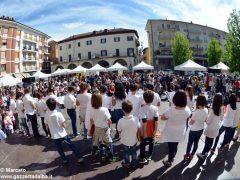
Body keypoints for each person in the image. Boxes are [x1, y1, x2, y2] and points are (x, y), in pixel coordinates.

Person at [45, 98, 84, 164]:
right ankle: (79, 157)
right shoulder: (58, 114)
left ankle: (64, 159)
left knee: (59, 148)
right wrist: (64, 125)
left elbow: (46, 125)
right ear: (55, 105)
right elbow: (64, 125)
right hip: (62, 133)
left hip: (54, 135)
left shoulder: (47, 115)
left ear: (47, 106)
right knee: (71, 145)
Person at [161, 90, 191, 167]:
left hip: (171, 132)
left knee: (171, 147)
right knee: (175, 145)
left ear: (175, 99)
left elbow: (162, 118)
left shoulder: (171, 110)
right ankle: (172, 157)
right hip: (180, 131)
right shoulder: (187, 110)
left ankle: (169, 161)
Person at [90, 92, 116, 162]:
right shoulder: (104, 109)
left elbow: (92, 121)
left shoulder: (91, 109)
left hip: (97, 128)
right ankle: (110, 157)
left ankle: (102, 156)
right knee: (109, 143)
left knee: (100, 142)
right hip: (105, 128)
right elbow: (109, 121)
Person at [197, 93, 223, 159]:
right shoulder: (221, 109)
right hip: (216, 128)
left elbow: (208, 122)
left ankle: (203, 154)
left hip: (210, 129)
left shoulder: (212, 109)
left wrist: (206, 117)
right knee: (211, 141)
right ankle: (206, 153)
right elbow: (221, 118)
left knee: (207, 142)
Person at [117, 100, 140, 169]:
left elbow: (119, 130)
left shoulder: (120, 121)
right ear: (132, 109)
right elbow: (138, 127)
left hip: (124, 141)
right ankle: (134, 162)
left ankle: (127, 163)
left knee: (126, 152)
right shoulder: (136, 119)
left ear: (122, 110)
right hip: (133, 140)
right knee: (133, 152)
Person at [184, 95, 208, 160]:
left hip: (193, 130)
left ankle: (187, 155)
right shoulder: (206, 110)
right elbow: (206, 119)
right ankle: (192, 155)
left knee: (190, 143)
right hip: (201, 129)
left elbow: (190, 123)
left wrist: (190, 118)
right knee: (196, 143)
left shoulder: (195, 112)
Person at [139, 90, 159, 164]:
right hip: (152, 127)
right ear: (153, 99)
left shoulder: (142, 108)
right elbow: (156, 121)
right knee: (151, 142)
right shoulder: (155, 108)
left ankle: (142, 157)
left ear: (144, 99)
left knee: (142, 143)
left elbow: (144, 122)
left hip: (144, 129)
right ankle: (149, 155)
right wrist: (155, 131)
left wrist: (144, 133)